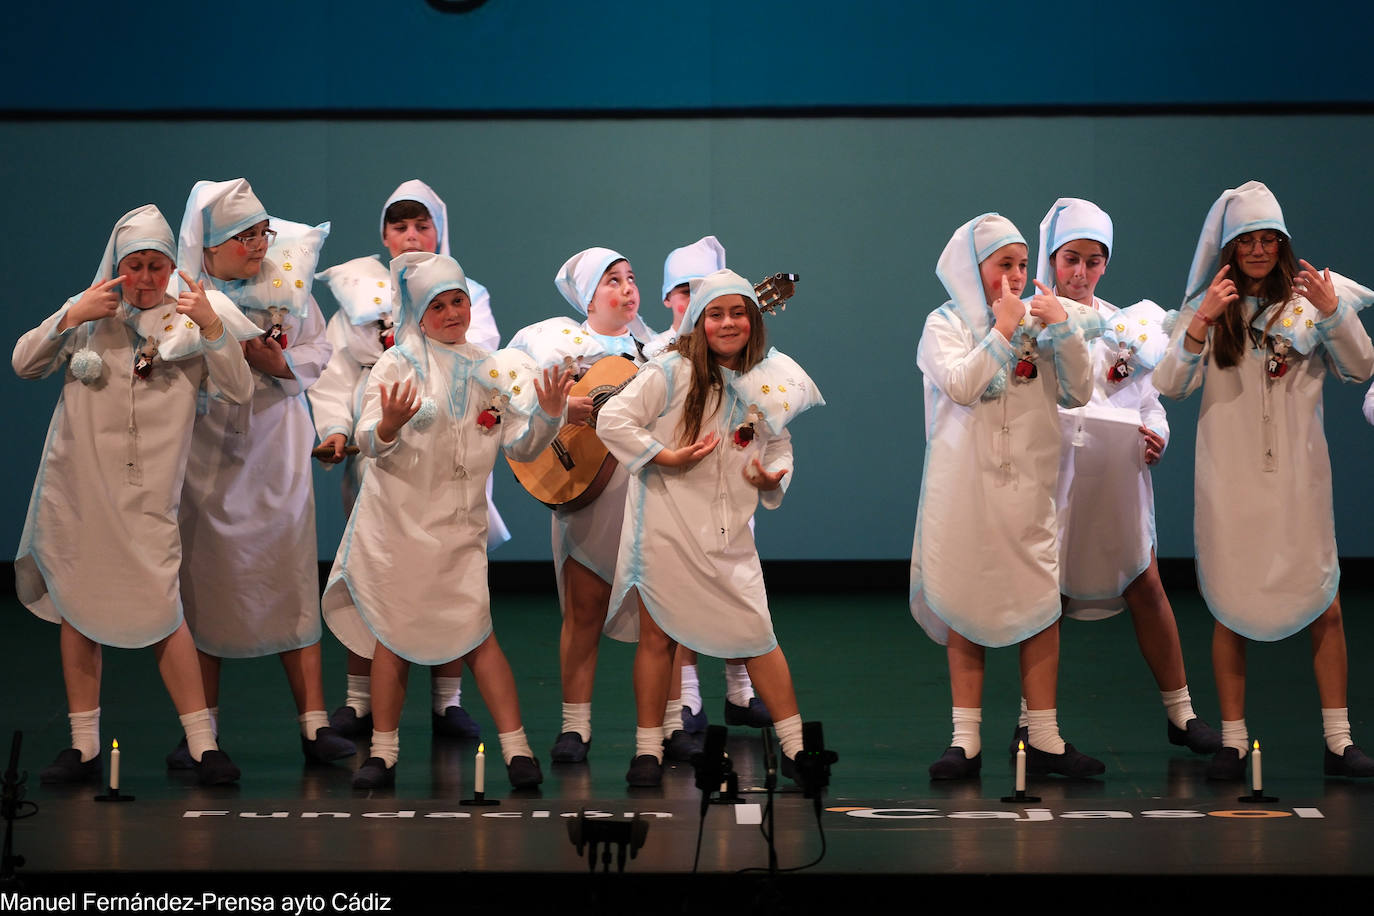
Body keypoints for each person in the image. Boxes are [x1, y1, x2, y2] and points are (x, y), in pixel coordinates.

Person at [14, 204, 256, 786]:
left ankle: (203, 743)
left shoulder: (189, 322)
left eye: (157, 266)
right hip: (81, 493)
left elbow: (239, 389)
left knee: (163, 609)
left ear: (172, 267)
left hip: (150, 497)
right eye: (135, 266)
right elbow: (25, 363)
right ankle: (84, 745)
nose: (146, 279)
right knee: (78, 607)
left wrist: (214, 327)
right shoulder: (91, 313)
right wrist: (70, 315)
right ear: (117, 266)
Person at [322, 252, 571, 789]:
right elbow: (367, 439)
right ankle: (383, 753)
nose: (452, 312)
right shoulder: (398, 364)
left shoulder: (493, 368)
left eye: (458, 300)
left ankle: (517, 750)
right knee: (393, 637)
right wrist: (387, 423)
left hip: (459, 528)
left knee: (477, 635)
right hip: (401, 527)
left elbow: (522, 446)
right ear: (418, 314)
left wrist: (549, 415)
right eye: (439, 305)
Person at [1155, 180, 1374, 779]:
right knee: (1232, 604)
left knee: (1323, 602)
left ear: (1282, 245)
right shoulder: (1208, 309)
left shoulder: (1310, 302)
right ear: (1229, 249)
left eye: (1268, 240)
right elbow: (1170, 385)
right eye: (1246, 240)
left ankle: (1339, 739)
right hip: (1230, 484)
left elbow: (1361, 368)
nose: (1257, 251)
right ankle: (1232, 738)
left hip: (1299, 483)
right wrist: (1202, 320)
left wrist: (1333, 312)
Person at [598, 268, 824, 786]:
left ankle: (794, 748)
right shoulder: (670, 372)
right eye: (715, 314)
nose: (728, 323)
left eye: (738, 312)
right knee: (658, 638)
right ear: (698, 322)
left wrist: (774, 478)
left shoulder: (770, 377)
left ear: (753, 319)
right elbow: (613, 421)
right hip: (665, 527)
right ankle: (647, 750)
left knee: (757, 635)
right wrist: (666, 456)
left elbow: (779, 443)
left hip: (728, 534)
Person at [911, 213, 1104, 780]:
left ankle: (1043, 735)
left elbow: (1080, 390)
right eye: (1005, 266)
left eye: (1023, 265)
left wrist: (1062, 329)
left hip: (1029, 485)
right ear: (976, 271)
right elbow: (963, 386)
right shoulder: (942, 324)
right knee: (964, 602)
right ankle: (964, 740)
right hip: (964, 487)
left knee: (1040, 603)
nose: (1017, 277)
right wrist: (1001, 330)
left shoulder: (1047, 321)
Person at [312, 179, 503, 741]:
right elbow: (333, 377)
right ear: (384, 235)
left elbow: (482, 362)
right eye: (400, 226)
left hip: (450, 456)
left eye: (422, 225)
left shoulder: (469, 295)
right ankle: (359, 699)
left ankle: (448, 701)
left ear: (439, 232)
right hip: (383, 451)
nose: (412, 236)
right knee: (373, 572)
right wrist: (335, 429)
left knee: (450, 577)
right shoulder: (357, 298)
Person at [173, 178, 354, 768]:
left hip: (275, 450)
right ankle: (201, 731)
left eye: (261, 234)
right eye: (244, 237)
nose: (257, 246)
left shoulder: (288, 290)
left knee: (291, 581)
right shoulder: (183, 298)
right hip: (206, 457)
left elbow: (319, 352)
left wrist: (281, 363)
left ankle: (314, 724)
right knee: (203, 591)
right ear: (210, 244)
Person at [1031, 198, 1219, 755]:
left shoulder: (1126, 325)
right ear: (1052, 258)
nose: (1081, 273)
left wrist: (1157, 436)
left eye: (1093, 261)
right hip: (1054, 479)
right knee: (1050, 597)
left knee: (1146, 584)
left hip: (1116, 479)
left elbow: (1150, 402)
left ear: (1106, 264)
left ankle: (1181, 713)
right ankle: (1035, 724)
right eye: (1071, 259)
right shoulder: (1029, 322)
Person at [508, 248, 656, 763]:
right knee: (583, 610)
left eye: (631, 278)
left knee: (662, 615)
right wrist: (562, 407)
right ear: (588, 298)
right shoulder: (559, 346)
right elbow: (509, 392)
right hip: (586, 489)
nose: (627, 288)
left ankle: (665, 729)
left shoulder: (655, 351)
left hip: (646, 496)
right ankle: (575, 726)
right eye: (612, 281)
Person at [648, 237, 771, 760]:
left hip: (728, 491)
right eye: (686, 291)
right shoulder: (658, 356)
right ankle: (688, 702)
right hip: (675, 495)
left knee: (735, 588)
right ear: (671, 300)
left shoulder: (749, 362)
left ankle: (741, 691)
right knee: (679, 601)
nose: (694, 299)